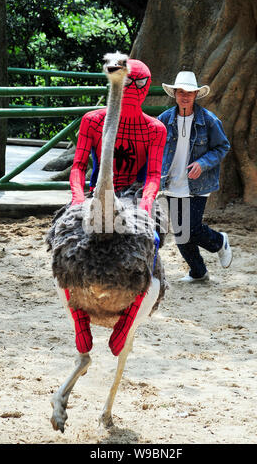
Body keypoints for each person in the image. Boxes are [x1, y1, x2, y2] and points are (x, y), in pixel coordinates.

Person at [66, 58, 167, 356]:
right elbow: (78, 166)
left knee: (153, 244)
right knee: (63, 240)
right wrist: (76, 198)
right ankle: (77, 317)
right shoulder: (93, 120)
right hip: (97, 192)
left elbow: (153, 175)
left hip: (135, 195)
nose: (132, 89)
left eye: (138, 83)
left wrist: (147, 202)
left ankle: (133, 309)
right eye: (127, 82)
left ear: (147, 87)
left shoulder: (155, 129)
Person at [158, 70, 232, 282]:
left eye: (189, 92)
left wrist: (203, 162)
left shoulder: (209, 121)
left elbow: (222, 147)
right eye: (180, 91)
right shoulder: (163, 120)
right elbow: (155, 150)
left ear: (196, 94)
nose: (185, 96)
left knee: (191, 228)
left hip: (198, 185)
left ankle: (219, 241)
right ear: (174, 93)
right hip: (172, 183)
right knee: (181, 235)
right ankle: (198, 272)